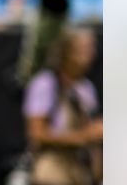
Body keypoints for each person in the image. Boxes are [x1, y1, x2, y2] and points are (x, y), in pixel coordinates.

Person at [22, 27, 102, 185]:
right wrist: (82, 136)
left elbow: (89, 128)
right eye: (83, 48)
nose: (89, 53)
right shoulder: (45, 83)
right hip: (51, 173)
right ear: (66, 50)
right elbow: (36, 133)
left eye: (91, 47)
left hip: (81, 173)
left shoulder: (86, 87)